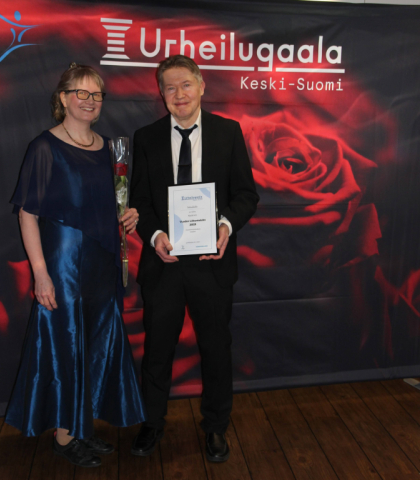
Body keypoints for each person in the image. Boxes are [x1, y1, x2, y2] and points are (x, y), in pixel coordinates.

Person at [5, 63, 146, 468]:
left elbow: (113, 205)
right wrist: (41, 273)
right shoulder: (44, 146)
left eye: (96, 95)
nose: (89, 101)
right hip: (64, 267)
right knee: (66, 345)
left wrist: (129, 214)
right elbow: (27, 214)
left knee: (96, 345)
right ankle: (65, 437)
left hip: (102, 264)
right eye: (80, 93)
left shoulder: (111, 148)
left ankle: (82, 426)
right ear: (63, 98)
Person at [129, 55, 259, 462]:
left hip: (212, 264)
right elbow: (139, 200)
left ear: (202, 86)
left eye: (186, 84)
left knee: (216, 350)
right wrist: (155, 236)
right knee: (157, 351)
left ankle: (216, 426)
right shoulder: (146, 138)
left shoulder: (228, 132)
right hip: (163, 265)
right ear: (161, 94)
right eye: (169, 87)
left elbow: (246, 195)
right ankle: (152, 422)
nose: (179, 94)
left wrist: (226, 226)